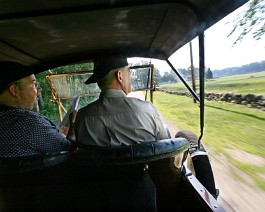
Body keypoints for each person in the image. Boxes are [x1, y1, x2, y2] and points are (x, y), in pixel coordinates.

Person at [74, 53, 168, 146]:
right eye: (129, 72)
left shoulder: (82, 117)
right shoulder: (147, 110)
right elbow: (167, 147)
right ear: (120, 76)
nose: (130, 76)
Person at [0, 61, 76, 157]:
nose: (39, 89)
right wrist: (73, 123)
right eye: (34, 84)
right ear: (15, 90)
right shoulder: (28, 122)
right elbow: (69, 147)